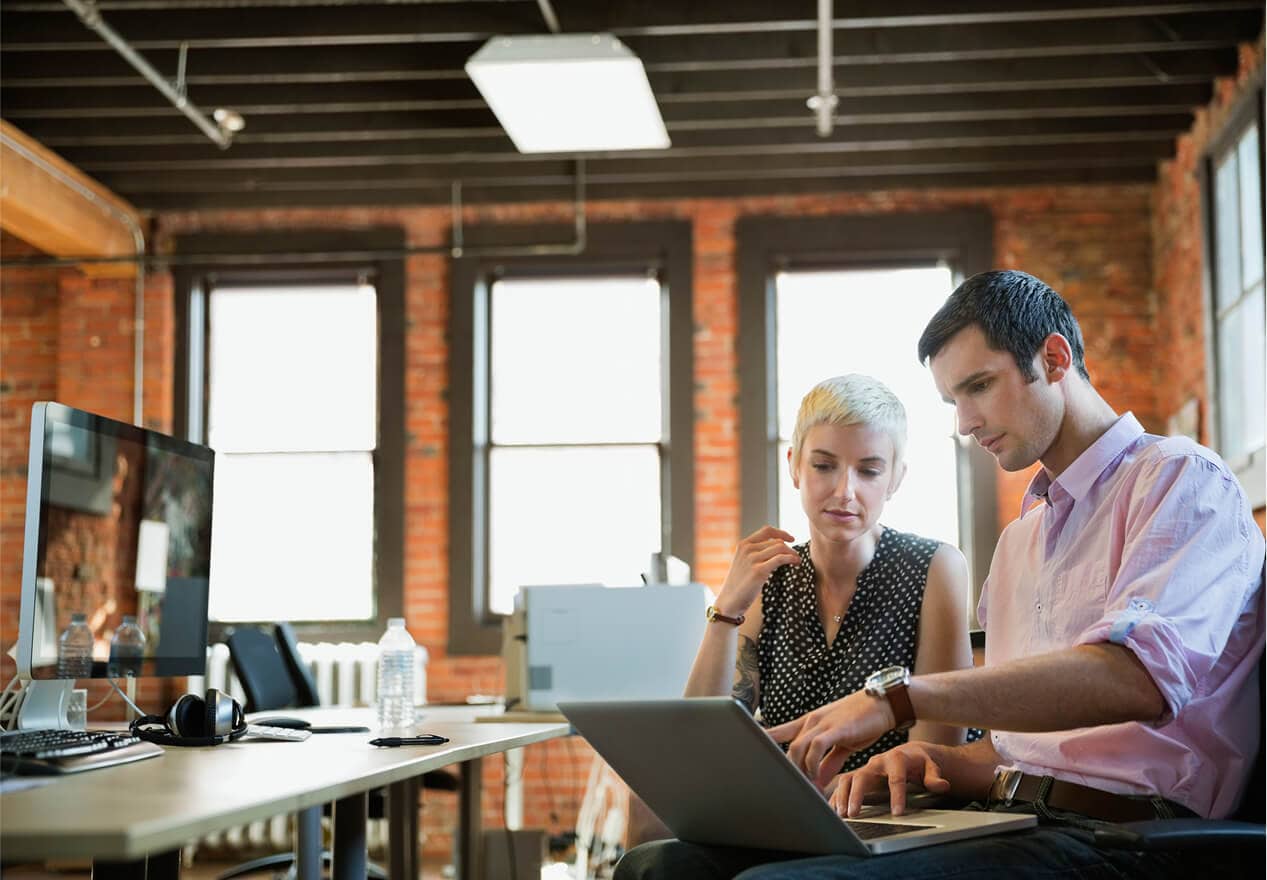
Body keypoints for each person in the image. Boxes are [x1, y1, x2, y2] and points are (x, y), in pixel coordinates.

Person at [615, 270, 1264, 880]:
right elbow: (1018, 749)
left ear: (1054, 360)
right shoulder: (1021, 541)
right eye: (951, 400)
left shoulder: (1178, 480)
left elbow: (1136, 677)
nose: (963, 423)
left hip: (1129, 837)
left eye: (977, 386)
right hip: (1017, 815)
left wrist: (898, 699)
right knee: (664, 866)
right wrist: (940, 760)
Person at [683, 374, 972, 767]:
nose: (844, 492)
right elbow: (700, 742)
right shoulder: (771, 579)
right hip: (791, 811)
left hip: (896, 812)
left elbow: (937, 751)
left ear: (895, 479)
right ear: (795, 467)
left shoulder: (934, 566)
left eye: (868, 471)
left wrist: (820, 798)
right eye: (824, 466)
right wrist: (726, 610)